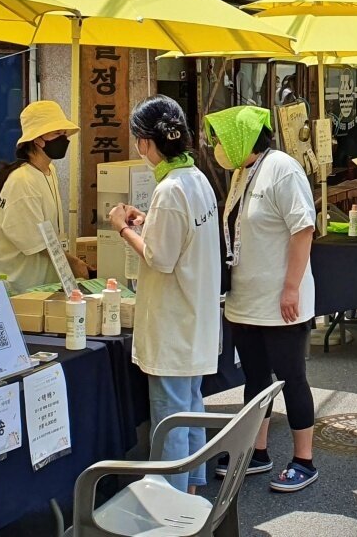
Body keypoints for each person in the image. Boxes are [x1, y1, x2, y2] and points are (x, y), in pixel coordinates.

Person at [108, 96, 220, 494]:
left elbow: (160, 258)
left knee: (171, 417)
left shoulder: (170, 189)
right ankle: (191, 490)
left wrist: (123, 228)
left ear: (145, 142)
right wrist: (147, 222)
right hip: (195, 315)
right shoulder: (197, 178)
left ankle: (172, 501)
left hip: (174, 321)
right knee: (190, 407)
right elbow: (179, 239)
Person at [205, 106, 319, 493]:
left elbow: (303, 229)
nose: (218, 148)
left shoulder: (282, 169)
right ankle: (257, 451)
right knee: (254, 377)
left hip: (281, 301)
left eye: (222, 140)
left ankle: (304, 460)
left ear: (242, 139)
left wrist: (291, 287)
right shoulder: (242, 171)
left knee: (291, 378)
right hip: (245, 300)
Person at [0, 101, 87, 291]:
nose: (63, 139)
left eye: (64, 133)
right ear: (37, 140)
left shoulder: (49, 171)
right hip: (15, 284)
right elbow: (36, 242)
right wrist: (73, 263)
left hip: (37, 283)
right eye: (56, 133)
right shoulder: (22, 180)